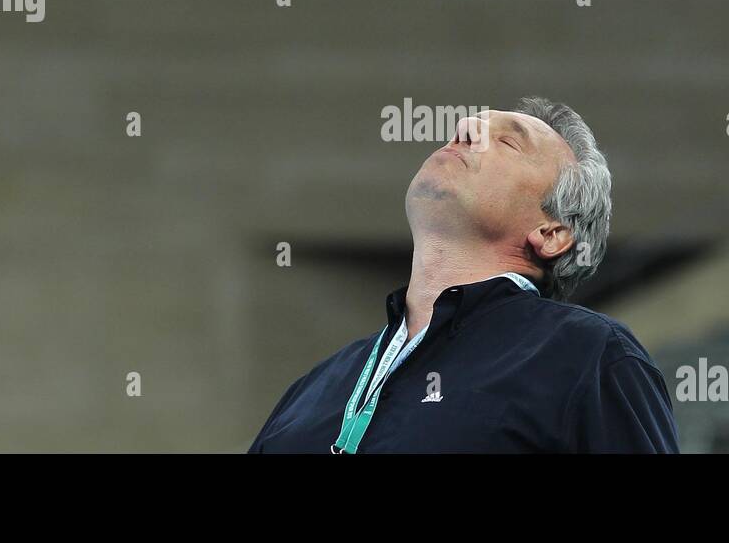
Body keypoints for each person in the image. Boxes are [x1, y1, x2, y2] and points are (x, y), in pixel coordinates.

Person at [249, 97, 678, 453]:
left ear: (552, 234)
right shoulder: (313, 388)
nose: (466, 126)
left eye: (508, 142)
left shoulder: (589, 358)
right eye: (473, 123)